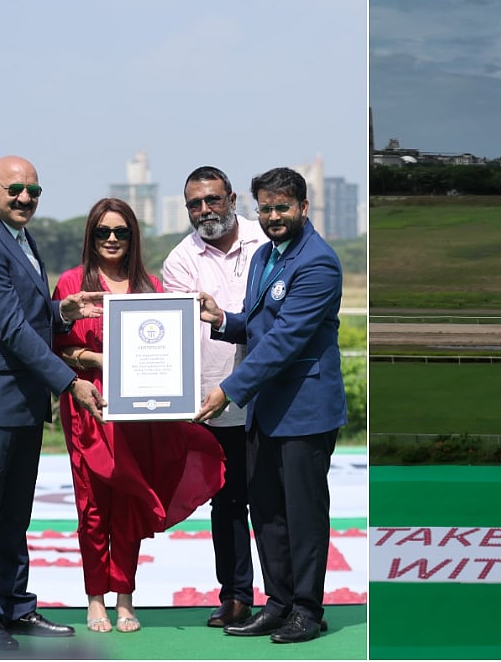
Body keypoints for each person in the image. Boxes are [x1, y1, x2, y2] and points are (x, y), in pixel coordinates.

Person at [0, 155, 106, 651]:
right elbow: (12, 329)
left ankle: (16, 607)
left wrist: (62, 310)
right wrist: (69, 383)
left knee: (14, 513)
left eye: (34, 192)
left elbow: (29, 313)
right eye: (16, 190)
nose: (25, 199)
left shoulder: (20, 239)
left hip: (22, 402)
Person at [53, 198, 226, 633]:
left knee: (130, 505)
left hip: (142, 414)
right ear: (90, 237)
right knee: (92, 508)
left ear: (133, 238)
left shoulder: (150, 287)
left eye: (121, 232)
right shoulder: (73, 285)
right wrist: (99, 359)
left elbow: (169, 351)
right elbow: (56, 351)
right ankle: (95, 598)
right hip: (90, 411)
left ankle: (125, 597)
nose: (112, 240)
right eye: (103, 232)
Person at [194, 167, 347, 644]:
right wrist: (225, 320)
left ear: (303, 207)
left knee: (303, 515)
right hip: (267, 409)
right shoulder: (265, 256)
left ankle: (307, 609)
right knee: (268, 513)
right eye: (265, 208)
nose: (273, 216)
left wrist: (228, 390)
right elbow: (261, 326)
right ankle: (278, 603)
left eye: (282, 207)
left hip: (305, 410)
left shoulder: (318, 262)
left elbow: (284, 342)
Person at [161, 166, 265, 627]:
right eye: (194, 204)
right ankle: (236, 596)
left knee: (273, 503)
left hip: (268, 399)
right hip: (211, 403)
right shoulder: (180, 260)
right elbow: (173, 339)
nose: (204, 211)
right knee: (226, 506)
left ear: (233, 198)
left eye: (213, 200)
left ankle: (287, 598)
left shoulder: (266, 241)